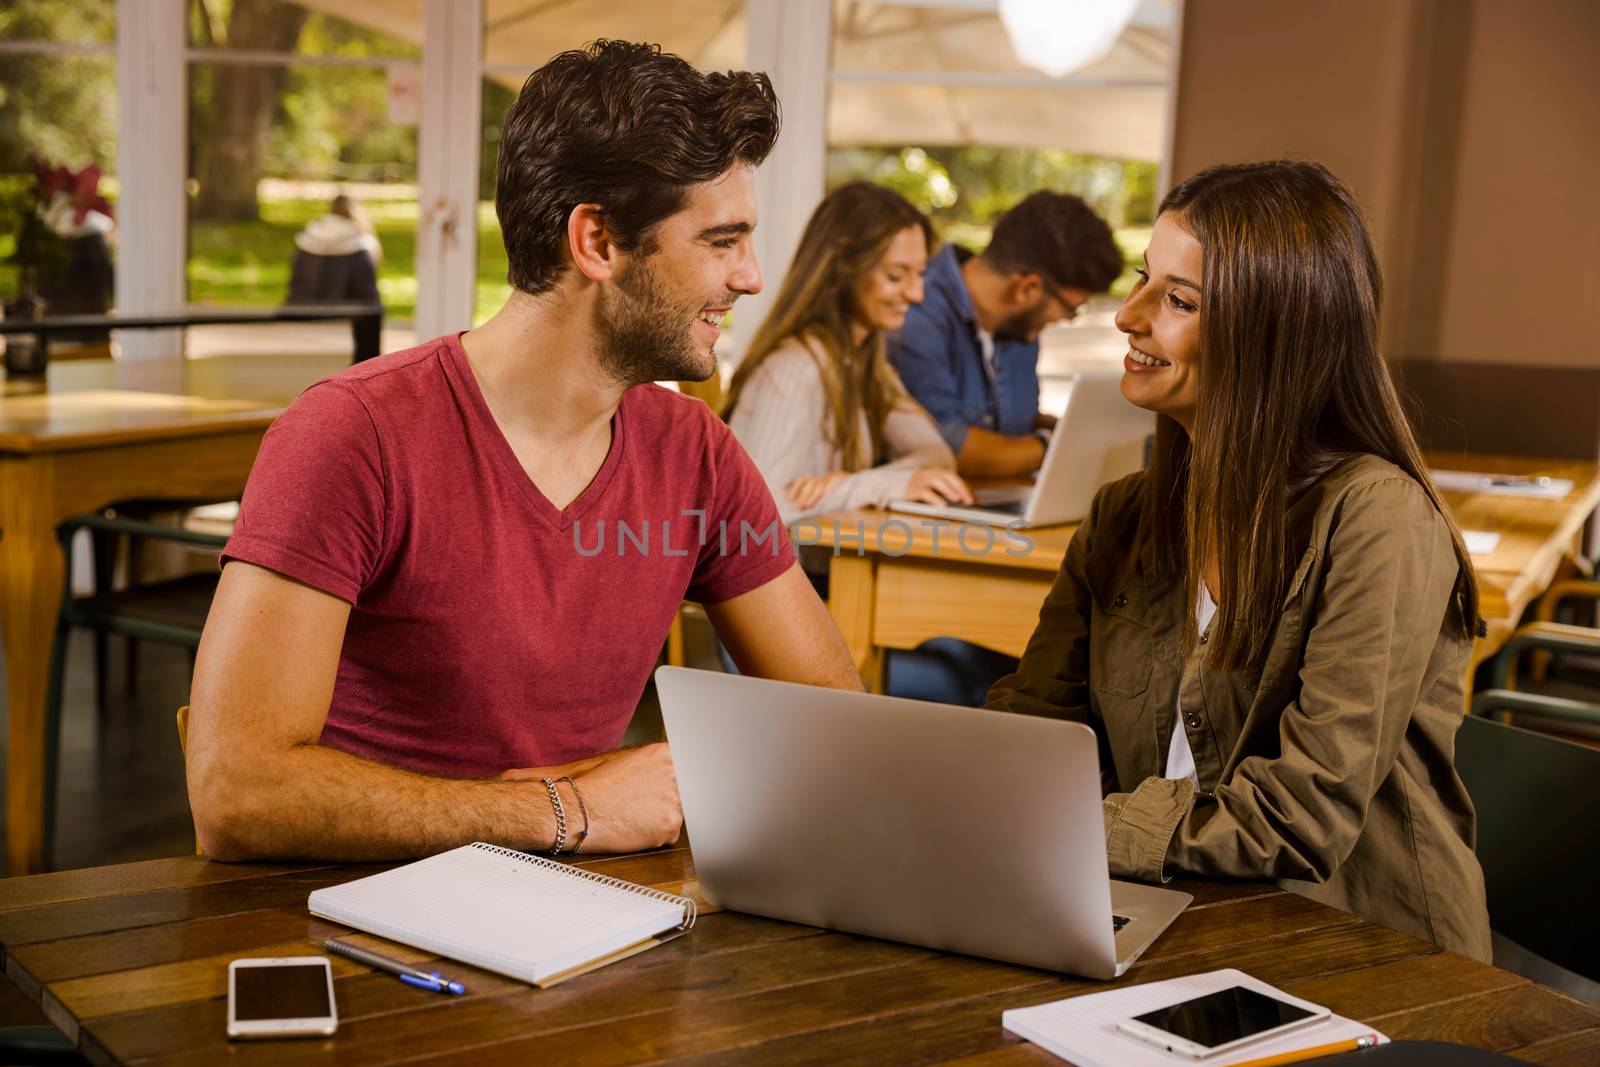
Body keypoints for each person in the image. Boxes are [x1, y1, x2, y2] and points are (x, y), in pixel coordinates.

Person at [188, 40, 862, 864]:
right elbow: (236, 792)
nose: (752, 276)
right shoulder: (351, 434)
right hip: (347, 924)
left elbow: (837, 721)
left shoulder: (699, 456)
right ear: (598, 244)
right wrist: (564, 809)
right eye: (721, 241)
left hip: (579, 923)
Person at [985, 160, 1493, 961]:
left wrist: (1055, 819)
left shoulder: (1378, 519)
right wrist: (964, 788)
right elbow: (1028, 741)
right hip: (1165, 927)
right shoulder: (1120, 519)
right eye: (1144, 280)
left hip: (1362, 959)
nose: (1128, 316)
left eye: (1178, 300)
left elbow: (1301, 816)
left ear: (1272, 336)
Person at [723, 182, 971, 546]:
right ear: (844, 270)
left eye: (919, 274)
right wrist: (882, 485)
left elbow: (937, 456)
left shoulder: (865, 364)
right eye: (896, 275)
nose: (917, 294)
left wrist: (848, 485)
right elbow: (750, 515)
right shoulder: (796, 368)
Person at [887, 191, 1123, 479]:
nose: (1067, 320)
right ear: (1026, 289)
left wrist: (1074, 428)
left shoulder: (1019, 328)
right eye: (1071, 308)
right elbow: (948, 449)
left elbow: (1013, 426)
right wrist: (1052, 446)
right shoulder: (914, 316)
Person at [286, 193, 384, 357]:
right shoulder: (361, 241)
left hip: (306, 300)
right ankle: (366, 361)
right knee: (372, 308)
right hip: (350, 303)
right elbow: (369, 280)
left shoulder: (309, 236)